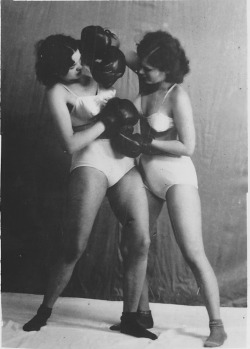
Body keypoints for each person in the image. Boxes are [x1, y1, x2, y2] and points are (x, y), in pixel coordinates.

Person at [22, 33, 157, 340]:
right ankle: (44, 311)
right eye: (72, 66)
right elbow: (69, 143)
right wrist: (105, 121)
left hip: (121, 161)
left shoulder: (95, 67)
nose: (80, 67)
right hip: (90, 161)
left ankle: (131, 318)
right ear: (56, 71)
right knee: (74, 245)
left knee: (141, 240)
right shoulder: (57, 91)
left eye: (79, 59)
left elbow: (140, 66)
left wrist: (114, 44)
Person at [111, 31, 227, 347]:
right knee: (133, 244)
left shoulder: (177, 95)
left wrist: (147, 142)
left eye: (150, 67)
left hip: (176, 178)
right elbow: (134, 58)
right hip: (145, 176)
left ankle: (217, 324)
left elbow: (188, 146)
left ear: (167, 69)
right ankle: (142, 313)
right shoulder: (145, 85)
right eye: (143, 66)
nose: (142, 71)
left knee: (192, 252)